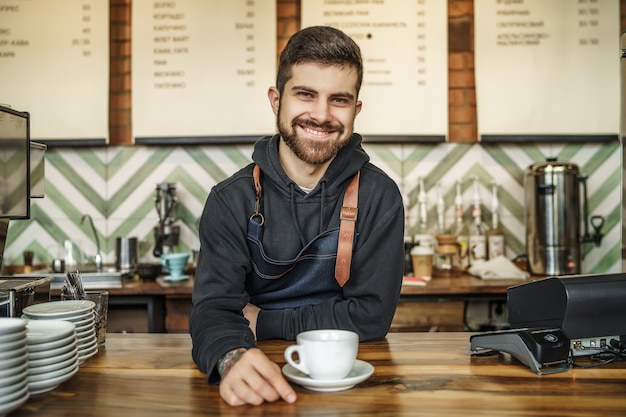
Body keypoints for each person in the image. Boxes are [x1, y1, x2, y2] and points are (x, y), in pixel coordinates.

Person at [189, 25, 405, 406]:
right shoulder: (229, 200)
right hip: (257, 369)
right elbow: (214, 310)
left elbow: (370, 317)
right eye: (305, 94)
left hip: (350, 380)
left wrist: (263, 320)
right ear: (276, 100)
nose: (321, 115)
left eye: (338, 100)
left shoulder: (379, 196)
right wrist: (232, 356)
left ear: (355, 110)